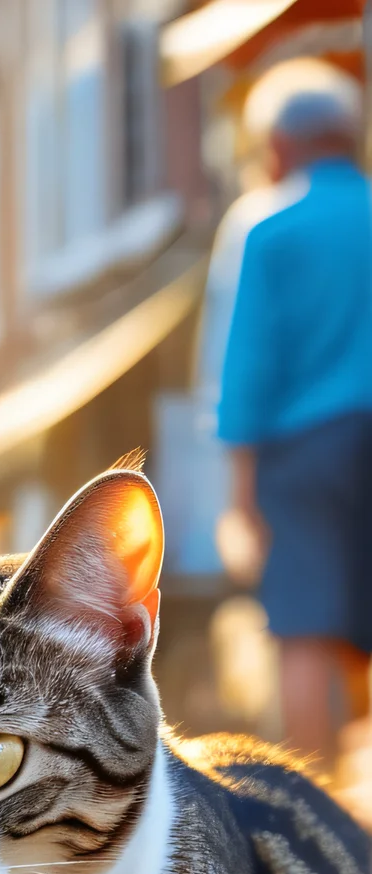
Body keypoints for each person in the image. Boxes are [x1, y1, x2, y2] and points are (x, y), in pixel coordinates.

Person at [216, 61, 372, 771]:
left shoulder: (267, 228)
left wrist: (239, 500)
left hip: (304, 453)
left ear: (277, 145)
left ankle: (323, 808)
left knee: (306, 626)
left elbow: (248, 368)